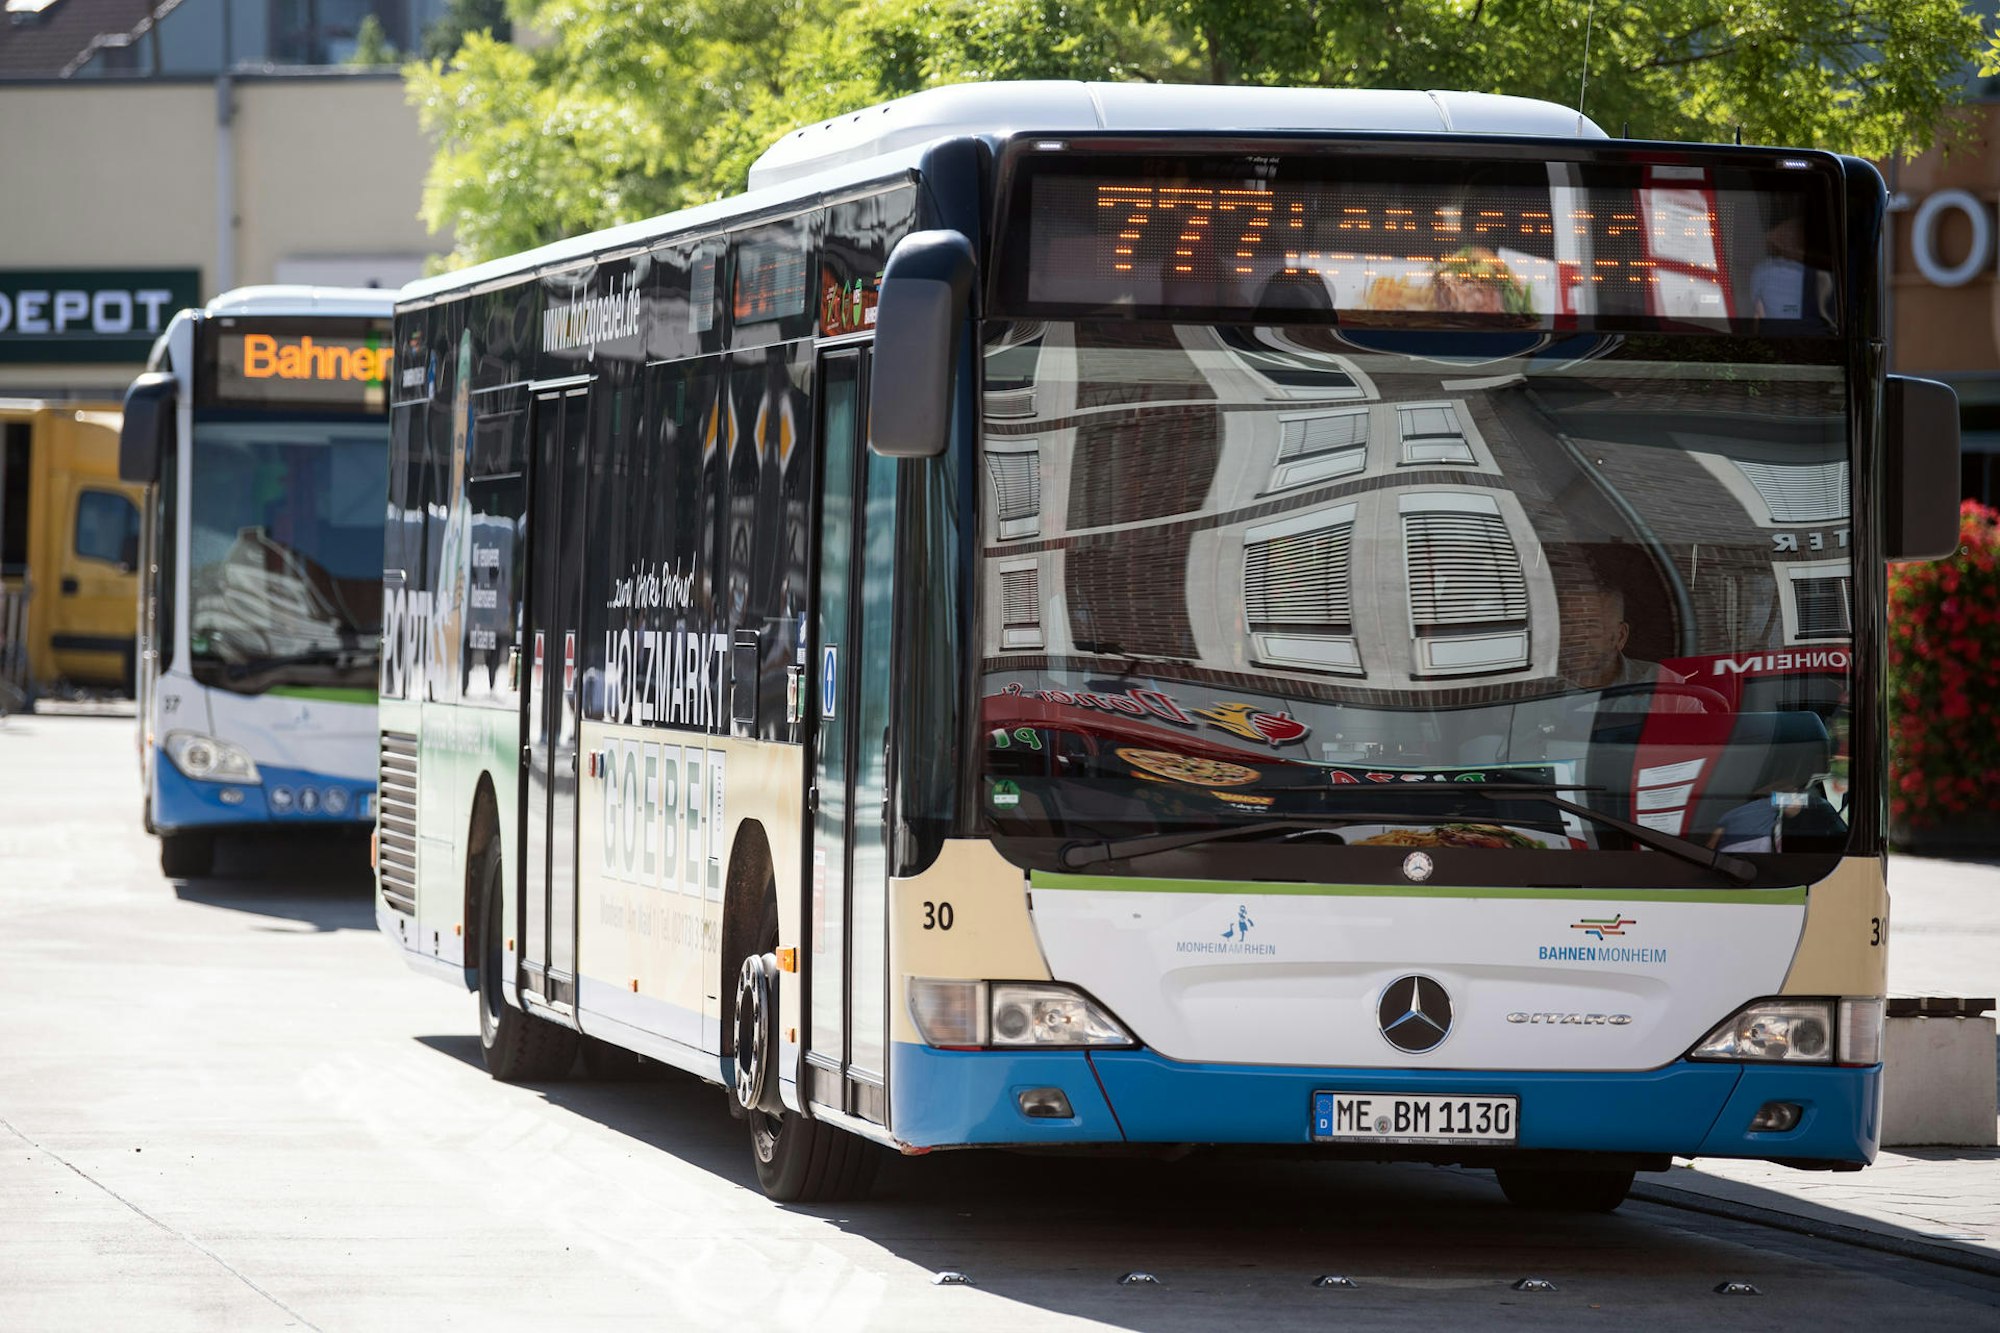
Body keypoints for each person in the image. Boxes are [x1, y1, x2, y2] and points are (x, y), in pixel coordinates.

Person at [1559, 582, 1705, 715]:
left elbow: (1702, 737)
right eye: (1568, 625)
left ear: (1620, 636)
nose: (1575, 637)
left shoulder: (1662, 685)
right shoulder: (1543, 687)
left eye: (1591, 626)